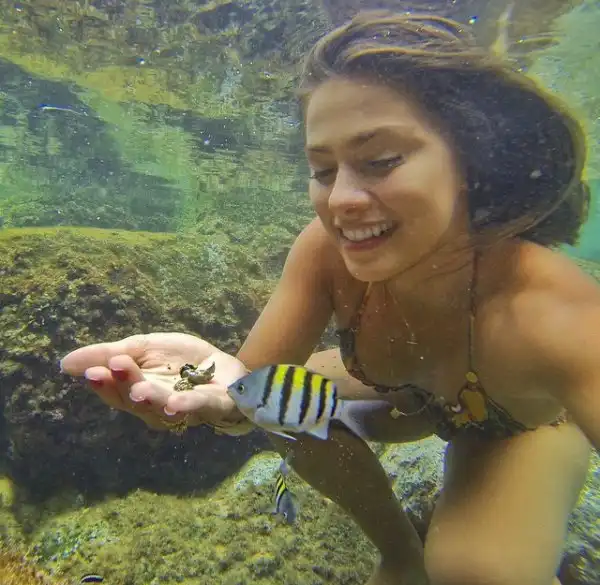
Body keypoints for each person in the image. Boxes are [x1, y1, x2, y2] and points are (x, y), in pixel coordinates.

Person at [60, 11, 600, 585]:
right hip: (408, 398)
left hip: (516, 426)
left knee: (471, 574)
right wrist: (216, 392)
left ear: (470, 161)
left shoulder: (552, 313)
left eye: (382, 161)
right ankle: (399, 554)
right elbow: (246, 394)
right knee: (280, 401)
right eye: (322, 170)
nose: (341, 199)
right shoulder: (324, 252)